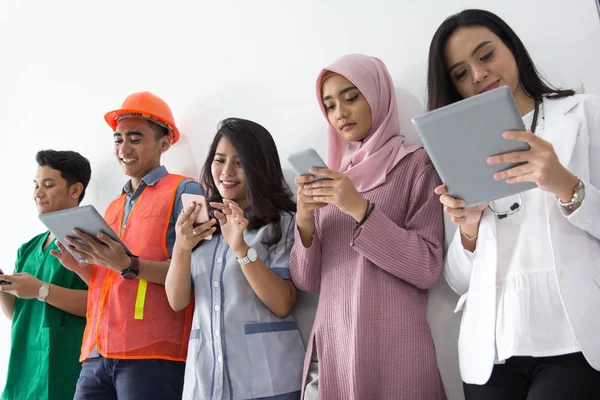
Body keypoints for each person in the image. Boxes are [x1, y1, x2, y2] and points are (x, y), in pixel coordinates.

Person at [428, 9, 600, 399]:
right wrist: (468, 231)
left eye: (486, 55)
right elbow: (457, 281)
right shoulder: (458, 150)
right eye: (459, 72)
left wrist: (567, 186)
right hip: (491, 352)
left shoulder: (583, 114)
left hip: (574, 339)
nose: (477, 75)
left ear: (513, 49)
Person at [290, 54, 446, 400]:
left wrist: (359, 208)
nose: (340, 113)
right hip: (332, 354)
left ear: (377, 94)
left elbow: (427, 266)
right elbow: (308, 281)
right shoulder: (332, 178)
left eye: (351, 96)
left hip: (393, 351)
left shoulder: (416, 164)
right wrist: (304, 221)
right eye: (329, 106)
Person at [53, 91, 203, 400]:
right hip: (97, 350)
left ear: (165, 143)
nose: (124, 148)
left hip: (152, 354)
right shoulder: (112, 207)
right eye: (118, 139)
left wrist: (128, 264)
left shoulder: (185, 190)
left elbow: (198, 274)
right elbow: (112, 278)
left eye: (135, 139)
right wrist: (84, 267)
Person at [165, 117, 305, 400]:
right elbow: (177, 301)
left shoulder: (282, 223)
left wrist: (240, 248)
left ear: (259, 167)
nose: (227, 171)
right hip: (207, 381)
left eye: (239, 163)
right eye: (219, 160)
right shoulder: (200, 223)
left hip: (267, 380)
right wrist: (181, 246)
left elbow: (282, 303)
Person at [0, 150, 90, 400]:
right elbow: (18, 314)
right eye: (36, 185)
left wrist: (42, 290)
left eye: (48, 185)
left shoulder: (87, 242)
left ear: (75, 190)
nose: (38, 193)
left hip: (63, 368)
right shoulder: (28, 249)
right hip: (23, 369)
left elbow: (100, 303)